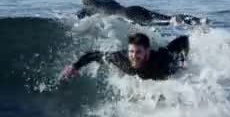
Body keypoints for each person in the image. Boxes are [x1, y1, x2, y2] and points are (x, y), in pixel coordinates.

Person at [60, 33, 189, 80]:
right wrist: (75, 66)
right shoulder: (122, 60)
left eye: (138, 52)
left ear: (147, 52)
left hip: (162, 67)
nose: (134, 56)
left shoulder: (162, 62)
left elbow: (184, 40)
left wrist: (183, 63)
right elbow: (95, 55)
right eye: (131, 51)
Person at [76, 0, 206, 25]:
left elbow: (79, 16)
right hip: (133, 9)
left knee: (165, 24)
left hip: (128, 17)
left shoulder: (90, 8)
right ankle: (197, 21)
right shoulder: (108, 0)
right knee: (170, 19)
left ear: (87, 3)